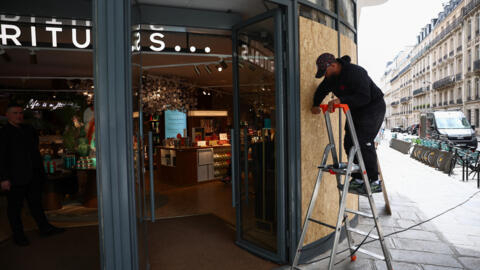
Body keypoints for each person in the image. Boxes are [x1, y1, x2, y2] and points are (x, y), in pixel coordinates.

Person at [311, 53, 386, 194]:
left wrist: (340, 100)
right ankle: (358, 179)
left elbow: (364, 97)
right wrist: (316, 104)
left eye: (325, 72)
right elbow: (321, 90)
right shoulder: (331, 78)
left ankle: (373, 181)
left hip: (373, 107)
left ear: (333, 65)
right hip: (356, 109)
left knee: (363, 142)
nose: (325, 76)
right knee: (349, 142)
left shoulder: (356, 72)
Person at [0, 103, 65, 246]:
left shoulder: (28, 129)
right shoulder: (4, 133)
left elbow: (35, 152)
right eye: (15, 113)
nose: (19, 116)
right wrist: (4, 178)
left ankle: (45, 228)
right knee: (15, 208)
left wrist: (41, 172)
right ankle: (19, 235)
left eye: (20, 113)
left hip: (33, 174)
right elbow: (1, 157)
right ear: (8, 115)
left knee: (36, 204)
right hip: (15, 177)